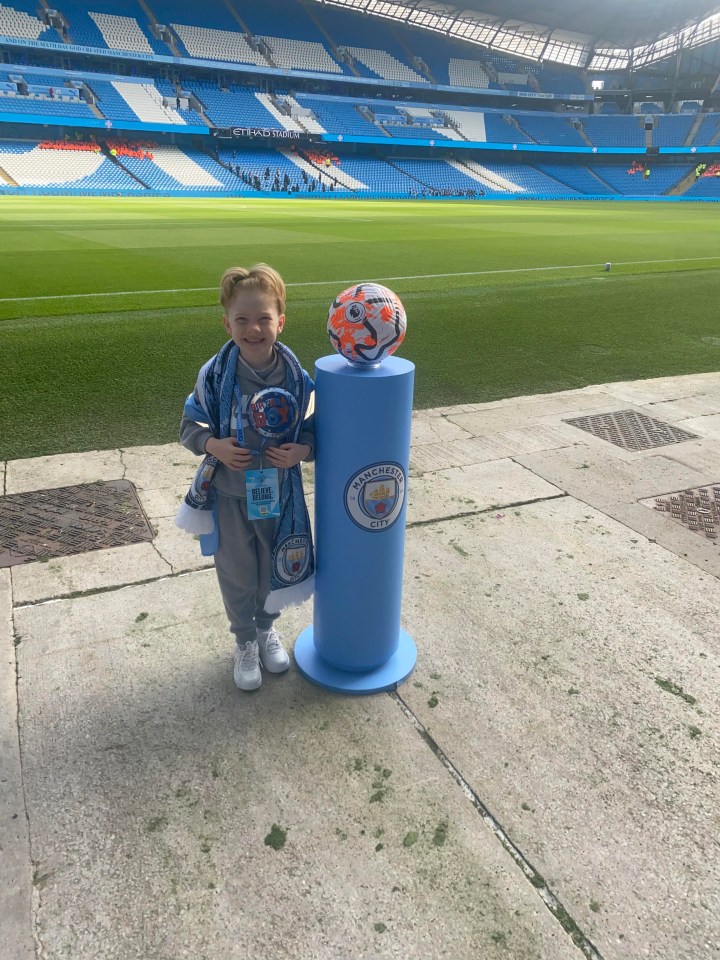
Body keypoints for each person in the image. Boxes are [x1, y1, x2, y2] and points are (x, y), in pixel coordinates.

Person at [177, 265, 315, 692]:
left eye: (263, 319)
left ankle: (266, 628)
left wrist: (303, 450)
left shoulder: (298, 379)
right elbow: (188, 428)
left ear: (281, 321)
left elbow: (315, 428)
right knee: (236, 571)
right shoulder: (214, 376)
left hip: (277, 493)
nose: (253, 328)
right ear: (227, 323)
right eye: (242, 319)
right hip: (230, 494)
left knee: (270, 567)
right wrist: (213, 446)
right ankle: (244, 642)